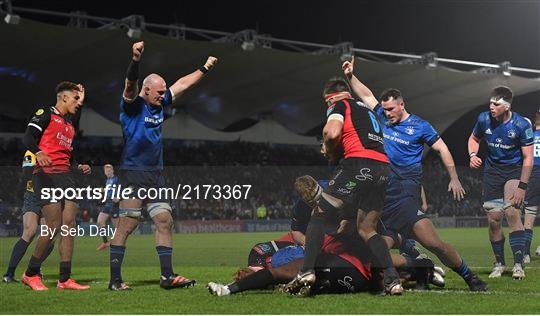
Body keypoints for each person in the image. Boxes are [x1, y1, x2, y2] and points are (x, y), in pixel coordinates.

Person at [342, 57, 487, 291]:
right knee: (424, 243)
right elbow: (367, 96)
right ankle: (419, 262)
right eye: (384, 109)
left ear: (402, 105)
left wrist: (454, 177)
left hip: (405, 191)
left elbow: (442, 148)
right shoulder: (382, 116)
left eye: (390, 109)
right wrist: (350, 77)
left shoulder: (420, 126)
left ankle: (467, 276)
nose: (386, 113)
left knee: (398, 243)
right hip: (384, 191)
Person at [108, 41, 217, 290]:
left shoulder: (160, 102)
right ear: (145, 90)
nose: (162, 96)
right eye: (158, 92)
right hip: (133, 174)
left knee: (165, 221)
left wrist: (205, 67)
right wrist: (135, 60)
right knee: (128, 224)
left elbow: (183, 84)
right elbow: (129, 85)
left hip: (156, 176)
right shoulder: (132, 106)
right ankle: (115, 280)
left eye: (163, 92)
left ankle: (167, 276)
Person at [285, 77, 403, 296]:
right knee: (367, 229)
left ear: (331, 98)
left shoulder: (339, 105)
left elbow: (331, 133)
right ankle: (392, 280)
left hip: (359, 164)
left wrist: (330, 151)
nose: (327, 106)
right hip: (383, 168)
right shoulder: (366, 110)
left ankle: (307, 270)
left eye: (326, 102)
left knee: (319, 210)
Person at [20, 82, 91, 290]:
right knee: (53, 225)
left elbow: (67, 152)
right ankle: (30, 273)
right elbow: (27, 137)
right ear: (63, 98)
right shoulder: (46, 114)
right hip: (46, 174)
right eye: (75, 99)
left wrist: (78, 165)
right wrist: (38, 152)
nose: (78, 103)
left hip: (66, 176)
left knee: (69, 225)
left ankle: (64, 279)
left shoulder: (68, 124)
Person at [468, 86, 534, 279]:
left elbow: (528, 158)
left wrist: (522, 187)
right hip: (492, 173)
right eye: (490, 103)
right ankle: (499, 263)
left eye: (496, 104)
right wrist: (472, 154)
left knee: (512, 212)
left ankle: (519, 264)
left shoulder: (521, 124)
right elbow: (473, 138)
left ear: (507, 106)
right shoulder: (483, 119)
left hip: (513, 171)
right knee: (494, 219)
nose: (491, 107)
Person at [2, 151, 54, 282]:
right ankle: (9, 274)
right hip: (33, 195)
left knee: (50, 237)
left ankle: (34, 269)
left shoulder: (54, 150)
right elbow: (26, 173)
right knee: (29, 231)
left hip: (50, 196)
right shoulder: (31, 152)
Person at [524, 111, 539, 262]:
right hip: (534, 175)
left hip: (533, 177)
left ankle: (526, 253)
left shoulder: (529, 136)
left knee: (529, 215)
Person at [96, 164, 119, 251]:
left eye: (109, 170)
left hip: (115, 204)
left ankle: (117, 243)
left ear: (112, 171)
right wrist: (104, 190)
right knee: (100, 221)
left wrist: (119, 198)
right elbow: (110, 190)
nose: (108, 172)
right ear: (105, 172)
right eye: (106, 171)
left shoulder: (116, 179)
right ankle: (105, 242)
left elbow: (123, 189)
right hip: (108, 203)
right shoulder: (108, 181)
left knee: (116, 226)